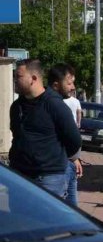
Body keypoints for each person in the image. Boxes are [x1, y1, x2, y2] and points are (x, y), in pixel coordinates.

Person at [9, 59, 82, 198]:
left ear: (33, 78)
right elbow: (16, 135)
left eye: (18, 76)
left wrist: (53, 159)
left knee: (48, 219)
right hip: (19, 176)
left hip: (48, 179)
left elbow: (74, 140)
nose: (15, 80)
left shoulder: (54, 104)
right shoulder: (16, 107)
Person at [48, 64, 84, 207]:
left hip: (68, 161)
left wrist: (75, 158)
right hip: (56, 168)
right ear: (56, 85)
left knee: (72, 209)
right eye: (69, 83)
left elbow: (67, 137)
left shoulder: (66, 102)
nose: (73, 87)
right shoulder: (52, 105)